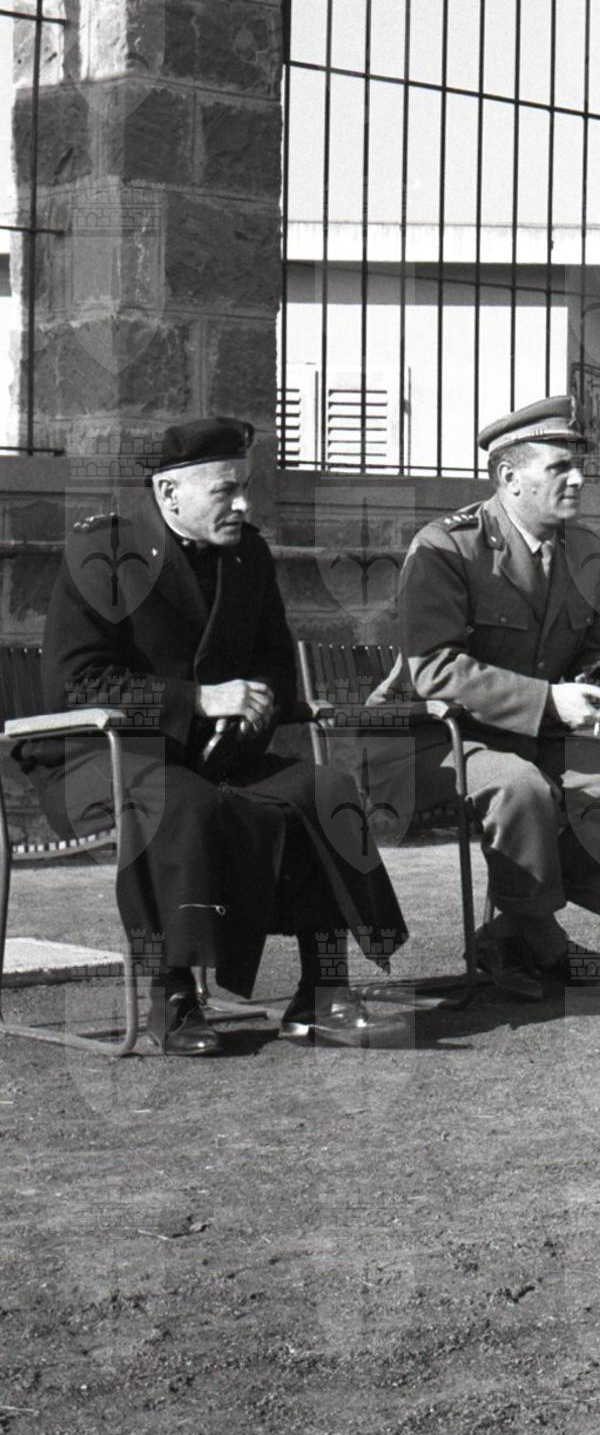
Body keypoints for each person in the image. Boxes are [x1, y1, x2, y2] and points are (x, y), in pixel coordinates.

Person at [27, 418, 412, 1054]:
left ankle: (322, 992)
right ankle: (172, 994)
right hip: (103, 755)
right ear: (168, 492)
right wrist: (200, 701)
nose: (243, 505)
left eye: (245, 488)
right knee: (184, 806)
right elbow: (78, 686)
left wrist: (253, 708)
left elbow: (274, 663)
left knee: (325, 792)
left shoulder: (247, 555)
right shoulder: (104, 552)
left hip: (212, 754)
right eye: (225, 490)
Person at [398, 397, 600, 1000]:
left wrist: (592, 684)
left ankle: (510, 932)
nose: (578, 479)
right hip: (446, 740)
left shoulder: (583, 549)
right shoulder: (448, 547)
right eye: (559, 467)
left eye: (579, 466)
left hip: (543, 736)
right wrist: (548, 701)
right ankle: (545, 942)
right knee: (520, 788)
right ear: (509, 477)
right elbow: (433, 669)